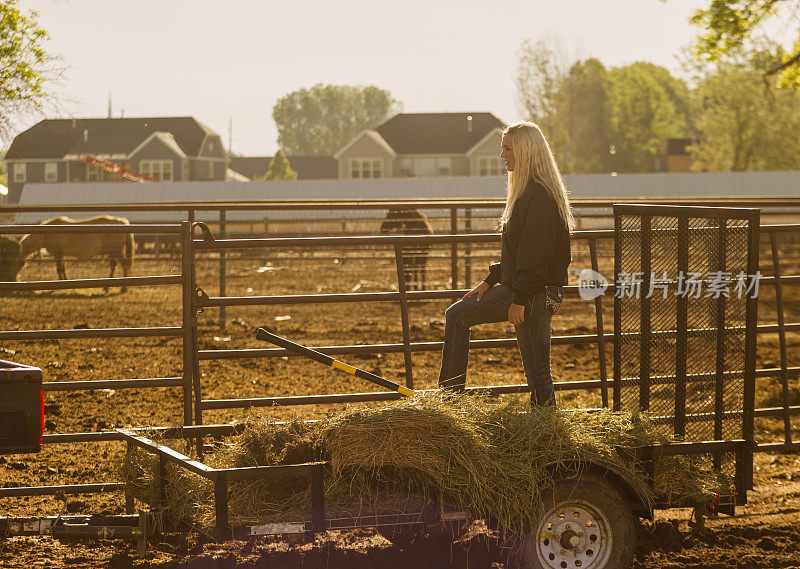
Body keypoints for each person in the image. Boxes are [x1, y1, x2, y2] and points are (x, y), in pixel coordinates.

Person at [438, 122, 573, 406]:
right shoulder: (530, 193)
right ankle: (451, 399)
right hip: (527, 288)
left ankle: (450, 400)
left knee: (536, 369)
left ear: (525, 151)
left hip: (533, 292)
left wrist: (520, 300)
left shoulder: (538, 196)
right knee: (535, 370)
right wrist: (490, 280)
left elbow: (535, 255)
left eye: (507, 148)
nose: (502, 155)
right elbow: (521, 251)